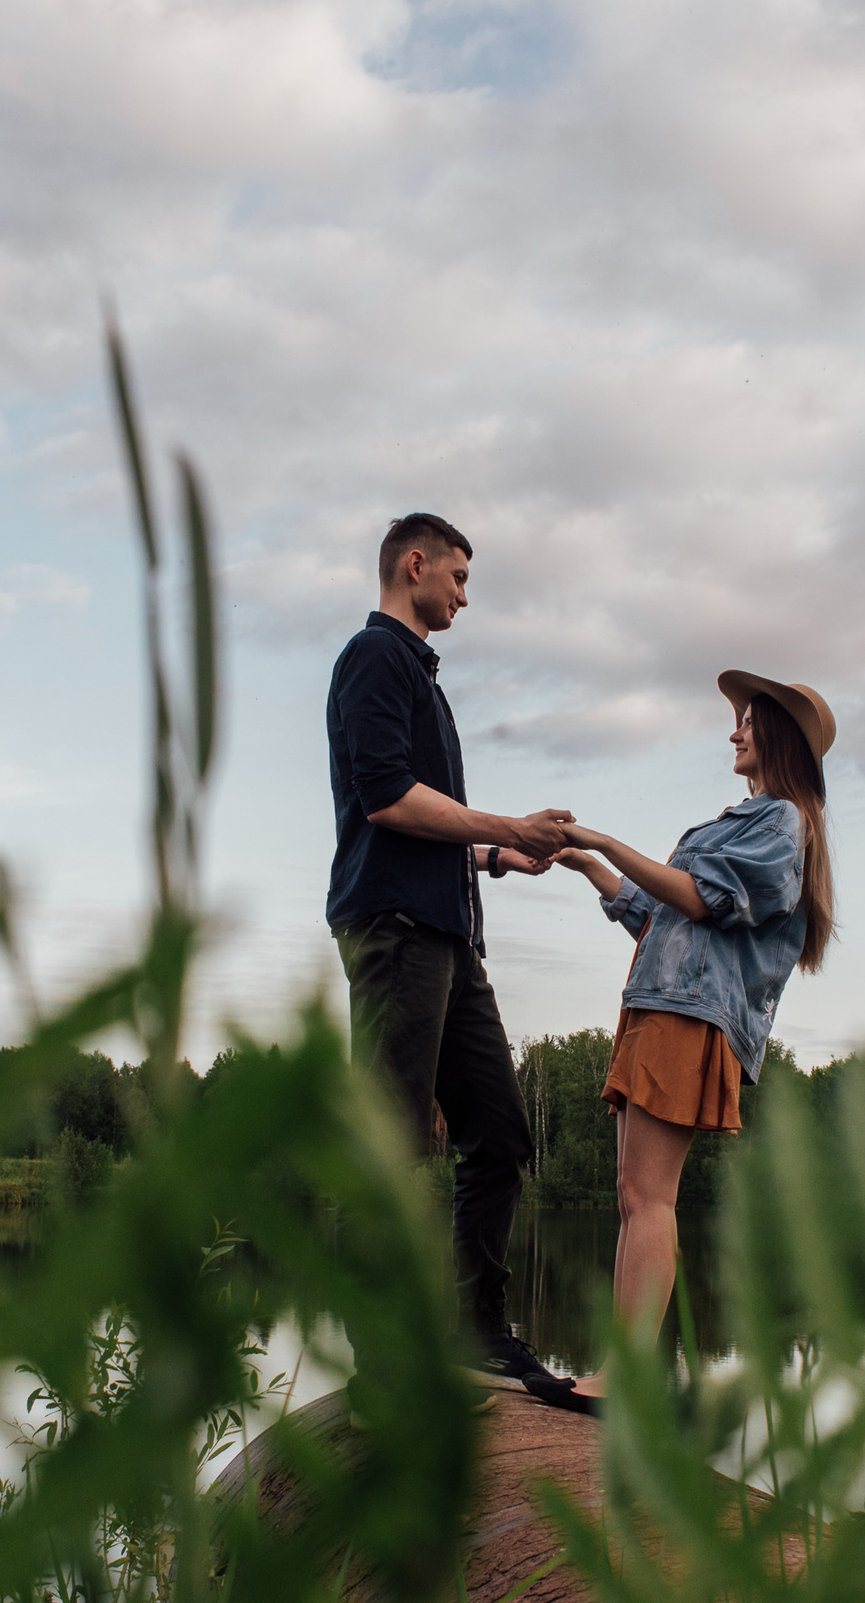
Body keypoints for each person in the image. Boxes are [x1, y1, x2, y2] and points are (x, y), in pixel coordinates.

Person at [326, 511, 580, 1391]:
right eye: (460, 579)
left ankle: (477, 1329)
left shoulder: (421, 675)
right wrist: (507, 819)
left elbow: (416, 821)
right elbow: (386, 799)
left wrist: (490, 854)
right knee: (394, 1147)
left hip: (446, 933)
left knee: (503, 1134)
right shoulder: (375, 658)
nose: (465, 596)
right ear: (415, 563)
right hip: (393, 929)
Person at [539, 671, 837, 1412]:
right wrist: (586, 865)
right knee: (635, 1195)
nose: (734, 732)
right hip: (659, 1002)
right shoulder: (746, 819)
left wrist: (605, 836)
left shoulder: (783, 823)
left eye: (747, 722)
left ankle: (628, 1379)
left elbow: (700, 898)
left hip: (686, 1014)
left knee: (649, 1196)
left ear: (780, 738)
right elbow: (658, 913)